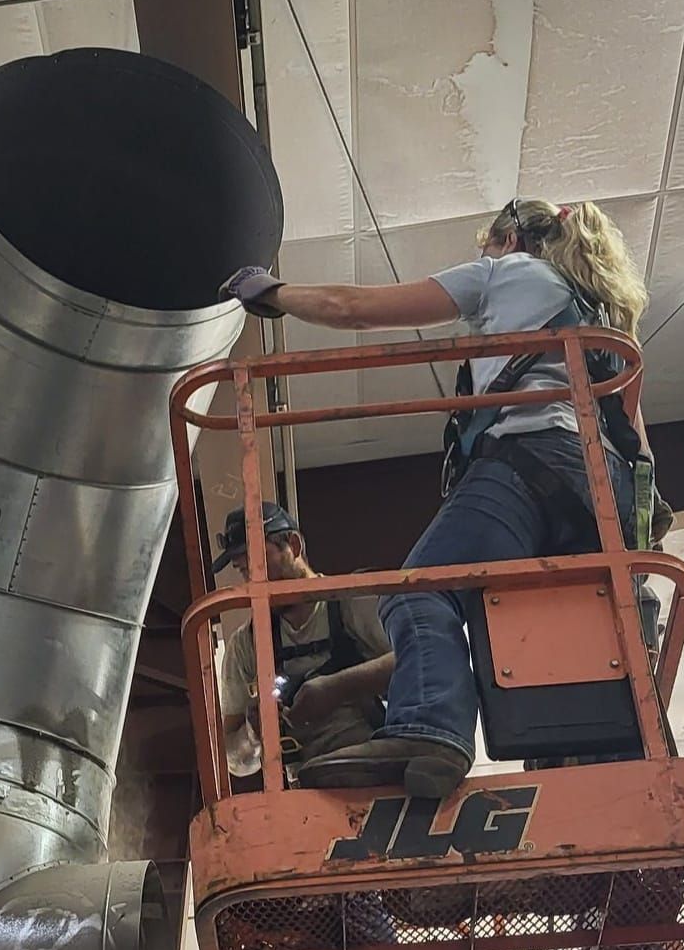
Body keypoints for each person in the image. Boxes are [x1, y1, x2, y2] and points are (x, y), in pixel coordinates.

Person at [220, 198, 652, 798]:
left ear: (508, 238)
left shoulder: (511, 272)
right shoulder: (600, 316)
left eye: (486, 246)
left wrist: (272, 293)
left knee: (416, 590)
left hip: (527, 461)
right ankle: (590, 762)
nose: (481, 257)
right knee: (553, 631)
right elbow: (635, 443)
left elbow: (356, 311)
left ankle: (431, 730)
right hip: (592, 491)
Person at [213, 500, 395, 771]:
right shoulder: (247, 644)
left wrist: (335, 688)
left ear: (294, 545)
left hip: (374, 770)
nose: (253, 580)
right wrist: (253, 732)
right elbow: (233, 760)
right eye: (243, 570)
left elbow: (414, 661)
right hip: (304, 787)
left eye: (259, 564)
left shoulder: (353, 602)